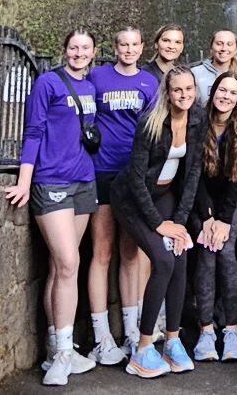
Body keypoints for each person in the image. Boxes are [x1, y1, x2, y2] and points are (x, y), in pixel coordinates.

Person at [4, 30, 101, 386]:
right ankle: (62, 351)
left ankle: (57, 348)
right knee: (69, 262)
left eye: (85, 48)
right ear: (64, 50)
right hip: (52, 181)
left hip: (83, 180)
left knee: (62, 266)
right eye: (73, 48)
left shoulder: (90, 87)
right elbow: (33, 132)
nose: (79, 53)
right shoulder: (47, 83)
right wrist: (24, 182)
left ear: (93, 53)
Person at [114, 67, 206, 379]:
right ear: (168, 93)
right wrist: (159, 224)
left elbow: (192, 174)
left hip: (165, 194)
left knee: (179, 254)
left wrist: (178, 223)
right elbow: (138, 180)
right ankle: (142, 348)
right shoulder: (149, 123)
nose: (184, 95)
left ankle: (173, 341)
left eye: (189, 89)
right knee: (163, 260)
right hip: (132, 198)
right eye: (178, 90)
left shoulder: (197, 120)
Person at [88, 27, 160, 363]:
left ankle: (133, 331)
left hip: (134, 174)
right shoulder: (98, 77)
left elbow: (156, 129)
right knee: (101, 253)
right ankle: (102, 335)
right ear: (114, 47)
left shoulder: (149, 82)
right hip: (102, 171)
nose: (129, 49)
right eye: (123, 44)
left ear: (142, 48)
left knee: (130, 252)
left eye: (134, 44)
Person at [190, 72, 237, 363]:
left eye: (232, 92)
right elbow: (194, 176)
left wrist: (223, 219)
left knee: (225, 252)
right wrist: (207, 217)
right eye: (221, 90)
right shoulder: (197, 122)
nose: (226, 96)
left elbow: (236, 179)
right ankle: (205, 331)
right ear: (213, 92)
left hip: (230, 198)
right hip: (198, 200)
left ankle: (231, 329)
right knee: (206, 251)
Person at [193, 29, 237, 105]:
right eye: (219, 44)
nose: (224, 48)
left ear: (236, 50)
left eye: (229, 44)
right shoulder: (195, 74)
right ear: (211, 48)